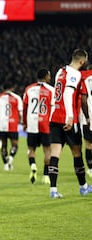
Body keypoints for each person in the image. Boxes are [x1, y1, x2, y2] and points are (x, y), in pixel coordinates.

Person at [49, 48, 92, 199]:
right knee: (77, 153)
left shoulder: (60, 72)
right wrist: (69, 116)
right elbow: (68, 93)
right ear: (82, 61)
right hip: (68, 118)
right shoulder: (75, 74)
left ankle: (53, 190)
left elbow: (57, 94)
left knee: (55, 154)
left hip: (54, 117)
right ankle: (83, 187)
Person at [22, 69, 54, 184]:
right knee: (47, 150)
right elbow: (53, 108)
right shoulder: (51, 90)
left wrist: (24, 123)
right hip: (45, 123)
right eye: (49, 76)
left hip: (31, 122)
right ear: (45, 77)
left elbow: (25, 107)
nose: (50, 77)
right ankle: (46, 176)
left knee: (31, 149)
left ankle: (33, 165)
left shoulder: (29, 89)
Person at [0, 83, 23, 171]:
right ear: (12, 88)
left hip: (2, 125)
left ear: (3, 88)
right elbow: (21, 112)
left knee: (3, 146)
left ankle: (5, 165)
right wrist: (20, 120)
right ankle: (11, 158)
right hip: (13, 125)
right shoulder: (17, 98)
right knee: (15, 145)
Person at [80, 64, 92, 178]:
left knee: (88, 144)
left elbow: (83, 100)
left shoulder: (84, 77)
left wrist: (87, 117)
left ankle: (90, 169)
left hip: (88, 117)